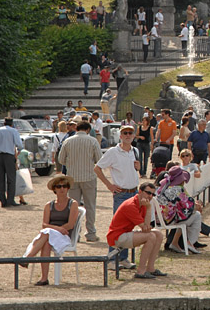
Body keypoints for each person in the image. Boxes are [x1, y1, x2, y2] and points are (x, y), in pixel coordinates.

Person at [20, 175, 81, 285]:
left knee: (47, 233)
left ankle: (28, 258)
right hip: (52, 233)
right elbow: (44, 224)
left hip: (65, 236)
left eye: (64, 186)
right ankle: (44, 278)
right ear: (54, 189)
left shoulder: (73, 204)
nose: (62, 189)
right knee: (47, 241)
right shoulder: (49, 205)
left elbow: (70, 224)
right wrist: (57, 228)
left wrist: (57, 230)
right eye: (59, 186)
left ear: (68, 188)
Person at [95, 124, 142, 265]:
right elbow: (97, 168)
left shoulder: (135, 150)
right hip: (121, 193)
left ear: (134, 136)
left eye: (130, 133)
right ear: (120, 136)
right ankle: (112, 258)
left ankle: (123, 258)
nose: (128, 135)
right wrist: (109, 185)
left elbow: (133, 170)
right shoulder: (112, 152)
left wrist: (137, 168)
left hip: (134, 192)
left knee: (128, 226)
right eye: (125, 133)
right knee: (118, 226)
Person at [106, 182, 166, 280]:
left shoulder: (142, 204)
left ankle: (150, 268)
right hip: (117, 237)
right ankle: (141, 271)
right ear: (140, 191)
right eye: (148, 193)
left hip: (125, 234)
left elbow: (146, 227)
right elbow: (145, 228)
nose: (150, 196)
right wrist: (149, 207)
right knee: (151, 236)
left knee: (158, 234)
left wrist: (148, 207)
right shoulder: (131, 205)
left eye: (152, 194)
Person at [57, 120, 102, 242]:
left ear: (77, 129)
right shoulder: (93, 141)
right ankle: (91, 233)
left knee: (74, 207)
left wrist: (71, 164)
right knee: (90, 206)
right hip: (89, 177)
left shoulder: (68, 141)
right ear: (87, 130)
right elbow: (99, 159)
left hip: (72, 178)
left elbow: (61, 159)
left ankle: (75, 234)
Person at [154, 166, 203, 254]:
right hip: (169, 219)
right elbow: (188, 205)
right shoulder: (178, 189)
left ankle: (175, 243)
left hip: (158, 218)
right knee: (196, 215)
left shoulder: (162, 187)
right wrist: (197, 206)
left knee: (183, 217)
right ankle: (190, 242)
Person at [0, 117, 23, 207]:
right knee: (11, 179)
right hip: (9, 155)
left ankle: (2, 200)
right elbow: (19, 144)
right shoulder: (13, 131)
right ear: (12, 124)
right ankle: (10, 200)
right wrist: (18, 152)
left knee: (0, 179)